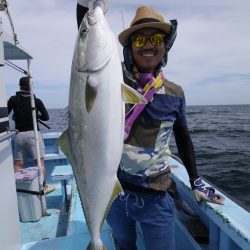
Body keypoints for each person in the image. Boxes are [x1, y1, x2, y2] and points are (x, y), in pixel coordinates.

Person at [76, 2, 224, 249]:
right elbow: (89, 50)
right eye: (139, 40)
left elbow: (183, 138)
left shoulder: (175, 93)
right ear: (129, 47)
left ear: (165, 46)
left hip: (156, 198)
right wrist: (85, 6)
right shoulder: (113, 79)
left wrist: (195, 180)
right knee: (124, 244)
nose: (147, 45)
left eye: (156, 38)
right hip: (115, 194)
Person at [7, 76, 54, 194]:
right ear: (31, 86)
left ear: (20, 86)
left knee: (18, 163)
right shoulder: (36, 101)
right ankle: (43, 186)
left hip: (19, 135)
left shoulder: (12, 99)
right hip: (33, 134)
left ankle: (14, 189)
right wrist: (36, 116)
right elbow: (46, 117)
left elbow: (6, 114)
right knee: (39, 162)